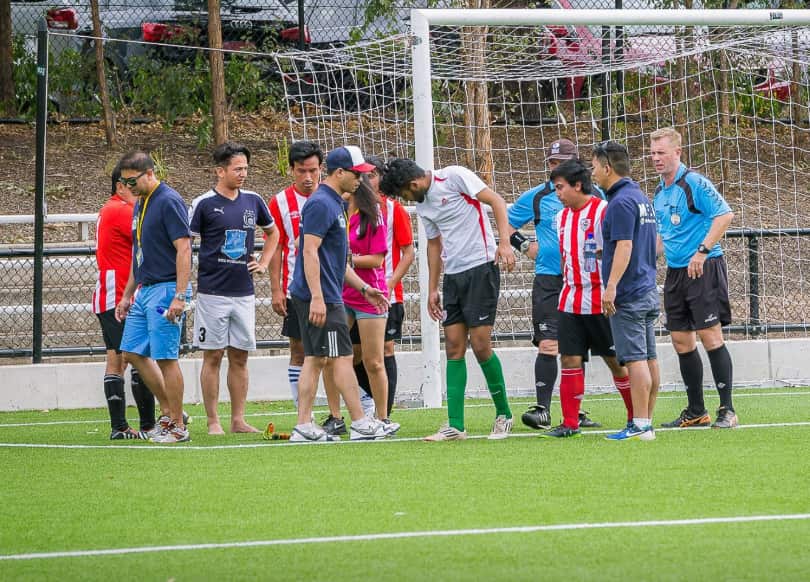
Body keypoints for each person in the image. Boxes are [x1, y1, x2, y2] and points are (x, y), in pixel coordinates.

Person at [380, 158, 516, 441]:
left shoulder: (454, 177)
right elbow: (433, 243)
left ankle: (504, 414)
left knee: (480, 345)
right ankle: (456, 425)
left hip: (481, 268)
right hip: (453, 277)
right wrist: (432, 288)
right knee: (454, 346)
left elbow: (497, 201)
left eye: (404, 193)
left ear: (413, 184)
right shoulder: (422, 204)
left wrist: (504, 243)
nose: (406, 199)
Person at [288, 145, 391, 442]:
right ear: (339, 172)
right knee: (341, 357)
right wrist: (318, 297)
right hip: (321, 296)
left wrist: (365, 288)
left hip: (325, 293)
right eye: (357, 174)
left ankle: (304, 425)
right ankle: (359, 422)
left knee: (316, 358)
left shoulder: (335, 203)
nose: (361, 180)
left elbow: (337, 260)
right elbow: (309, 251)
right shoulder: (323, 204)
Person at [507, 138, 608, 430]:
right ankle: (542, 408)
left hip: (587, 280)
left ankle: (575, 411)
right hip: (550, 279)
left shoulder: (598, 196)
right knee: (549, 344)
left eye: (561, 162)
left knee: (577, 350)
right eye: (552, 163)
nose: (555, 167)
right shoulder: (537, 197)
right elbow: (507, 223)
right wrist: (524, 246)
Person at [536, 158, 632, 438]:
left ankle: (633, 417)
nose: (558, 193)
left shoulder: (604, 211)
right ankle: (569, 423)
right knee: (569, 359)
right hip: (569, 300)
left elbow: (617, 251)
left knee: (615, 361)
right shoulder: (561, 217)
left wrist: (611, 286)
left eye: (560, 187)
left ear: (578, 185)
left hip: (601, 301)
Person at [189, 141, 280, 435]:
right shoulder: (203, 203)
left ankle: (238, 419)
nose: (243, 173)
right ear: (220, 170)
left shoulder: (253, 200)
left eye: (245, 168)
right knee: (213, 355)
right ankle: (213, 420)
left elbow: (273, 232)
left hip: (244, 292)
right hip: (212, 292)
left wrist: (264, 262)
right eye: (237, 168)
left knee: (240, 356)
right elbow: (185, 243)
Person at [650, 127, 738, 429]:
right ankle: (696, 410)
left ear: (678, 152)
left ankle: (727, 410)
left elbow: (725, 214)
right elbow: (662, 237)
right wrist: (643, 261)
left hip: (704, 268)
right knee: (680, 340)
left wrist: (702, 251)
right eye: (653, 153)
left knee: (710, 336)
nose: (656, 158)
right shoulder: (660, 192)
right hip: (676, 274)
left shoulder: (695, 183)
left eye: (662, 152)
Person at [115, 151, 192, 444]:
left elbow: (183, 249)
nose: (128, 186)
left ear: (150, 173)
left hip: (166, 289)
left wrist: (180, 295)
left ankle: (177, 426)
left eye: (132, 180)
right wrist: (126, 294)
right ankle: (172, 411)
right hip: (145, 288)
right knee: (131, 351)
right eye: (124, 181)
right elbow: (139, 254)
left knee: (166, 357)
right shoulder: (141, 203)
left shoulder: (168, 200)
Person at [591, 141, 661, 441]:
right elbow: (655, 244)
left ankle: (641, 423)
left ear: (607, 168)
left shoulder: (619, 202)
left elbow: (625, 245)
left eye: (594, 167)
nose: (593, 174)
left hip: (629, 293)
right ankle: (646, 422)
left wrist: (611, 286)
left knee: (635, 360)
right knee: (649, 357)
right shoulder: (641, 197)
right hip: (647, 288)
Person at [92, 163, 155, 440]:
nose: (136, 190)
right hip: (117, 294)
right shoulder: (119, 210)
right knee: (134, 356)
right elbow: (151, 230)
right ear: (120, 186)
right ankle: (148, 424)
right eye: (131, 183)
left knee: (118, 359)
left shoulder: (113, 208)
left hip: (113, 293)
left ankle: (123, 426)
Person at [349, 156, 415, 419]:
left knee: (384, 351)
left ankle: (383, 412)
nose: (369, 179)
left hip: (386, 294)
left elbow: (408, 252)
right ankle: (366, 400)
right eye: (365, 174)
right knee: (352, 354)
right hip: (350, 293)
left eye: (374, 174)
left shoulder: (393, 209)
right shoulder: (349, 207)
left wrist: (390, 283)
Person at [341, 177, 399, 433]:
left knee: (373, 361)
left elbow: (376, 260)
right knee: (335, 357)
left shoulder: (373, 216)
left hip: (369, 294)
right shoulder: (335, 212)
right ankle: (337, 416)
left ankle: (382, 417)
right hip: (340, 294)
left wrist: (346, 259)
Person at [268, 141, 323, 410]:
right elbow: (277, 246)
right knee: (299, 351)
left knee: (339, 353)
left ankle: (349, 410)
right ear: (291, 170)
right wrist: (276, 289)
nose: (308, 177)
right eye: (302, 171)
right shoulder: (279, 202)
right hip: (296, 290)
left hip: (333, 288)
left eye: (313, 170)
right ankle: (303, 410)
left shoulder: (333, 197)